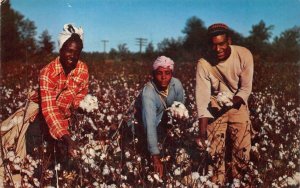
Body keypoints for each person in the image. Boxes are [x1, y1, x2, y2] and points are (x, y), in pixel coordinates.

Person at [195, 23, 253, 185]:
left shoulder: (244, 55)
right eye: (214, 45)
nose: (218, 49)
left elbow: (246, 89)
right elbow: (202, 99)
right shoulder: (204, 64)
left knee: (241, 152)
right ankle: (217, 182)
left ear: (229, 41)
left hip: (237, 103)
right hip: (214, 106)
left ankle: (238, 182)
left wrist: (228, 103)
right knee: (215, 155)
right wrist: (202, 133)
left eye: (221, 44)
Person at [25, 23, 88, 170]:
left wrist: (80, 108)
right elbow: (49, 110)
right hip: (42, 118)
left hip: (66, 119)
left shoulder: (82, 69)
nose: (72, 56)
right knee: (34, 159)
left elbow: (81, 93)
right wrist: (66, 137)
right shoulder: (47, 73)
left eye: (77, 52)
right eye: (68, 50)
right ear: (61, 49)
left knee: (63, 164)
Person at [134, 56, 186, 178]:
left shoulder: (176, 84)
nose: (163, 77)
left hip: (164, 126)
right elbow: (149, 124)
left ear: (172, 73)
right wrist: (155, 156)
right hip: (143, 128)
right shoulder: (148, 92)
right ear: (153, 74)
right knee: (146, 162)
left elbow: (180, 109)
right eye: (159, 73)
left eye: (167, 73)